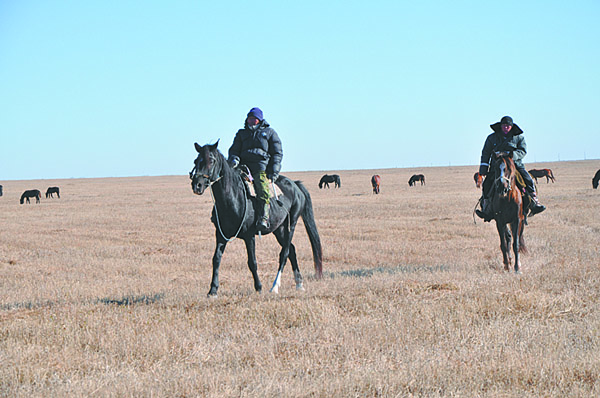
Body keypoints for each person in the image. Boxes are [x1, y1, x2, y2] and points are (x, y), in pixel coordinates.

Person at [476, 115, 546, 221]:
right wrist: (483, 168)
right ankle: (486, 208)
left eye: (508, 126)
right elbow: (485, 152)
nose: (506, 128)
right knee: (486, 185)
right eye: (504, 125)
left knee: (528, 180)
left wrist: (513, 155)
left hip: (515, 165)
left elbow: (523, 151)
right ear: (500, 126)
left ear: (512, 127)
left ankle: (534, 202)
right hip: (497, 167)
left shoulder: (519, 137)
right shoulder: (492, 138)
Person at [228, 107, 283, 231]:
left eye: (255, 119)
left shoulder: (269, 132)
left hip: (260, 168)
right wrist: (234, 159)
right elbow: (234, 150)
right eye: (250, 119)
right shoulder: (241, 133)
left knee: (262, 190)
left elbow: (277, 153)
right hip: (243, 168)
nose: (252, 121)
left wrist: (274, 171)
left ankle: (264, 217)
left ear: (260, 120)